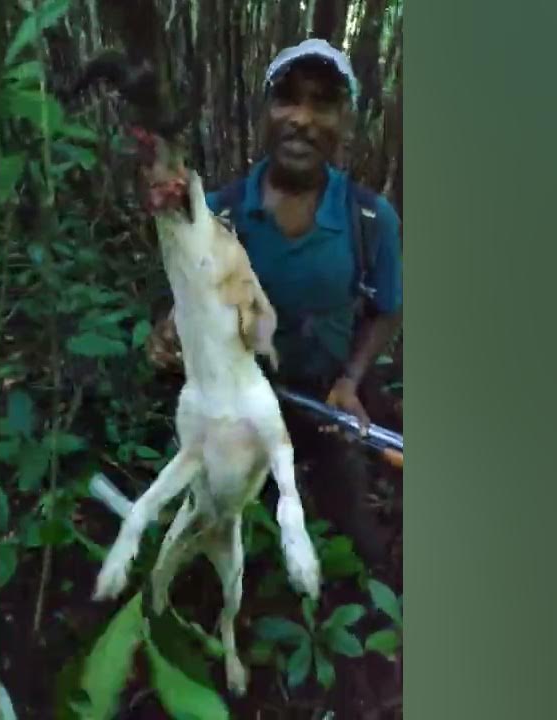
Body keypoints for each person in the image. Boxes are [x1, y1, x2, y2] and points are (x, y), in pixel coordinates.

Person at [146, 39, 403, 568]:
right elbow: (185, 305)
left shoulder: (370, 220)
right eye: (287, 99)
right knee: (220, 540)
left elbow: (388, 309)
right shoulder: (214, 213)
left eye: (322, 102)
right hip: (241, 401)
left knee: (357, 549)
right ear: (265, 112)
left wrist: (351, 380)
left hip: (326, 399)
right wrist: (171, 335)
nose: (302, 118)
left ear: (344, 121)